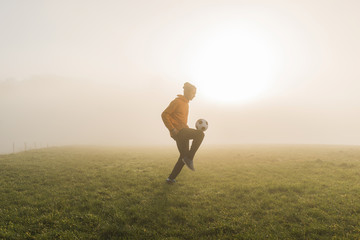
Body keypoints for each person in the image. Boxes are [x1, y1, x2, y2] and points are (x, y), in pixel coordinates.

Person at [161, 82, 205, 184]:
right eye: (193, 93)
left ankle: (170, 179)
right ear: (187, 92)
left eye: (195, 93)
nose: (194, 95)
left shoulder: (185, 104)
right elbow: (164, 114)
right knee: (200, 134)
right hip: (179, 132)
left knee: (183, 157)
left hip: (182, 131)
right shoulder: (177, 102)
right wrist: (172, 129)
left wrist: (186, 128)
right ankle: (190, 158)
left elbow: (180, 120)